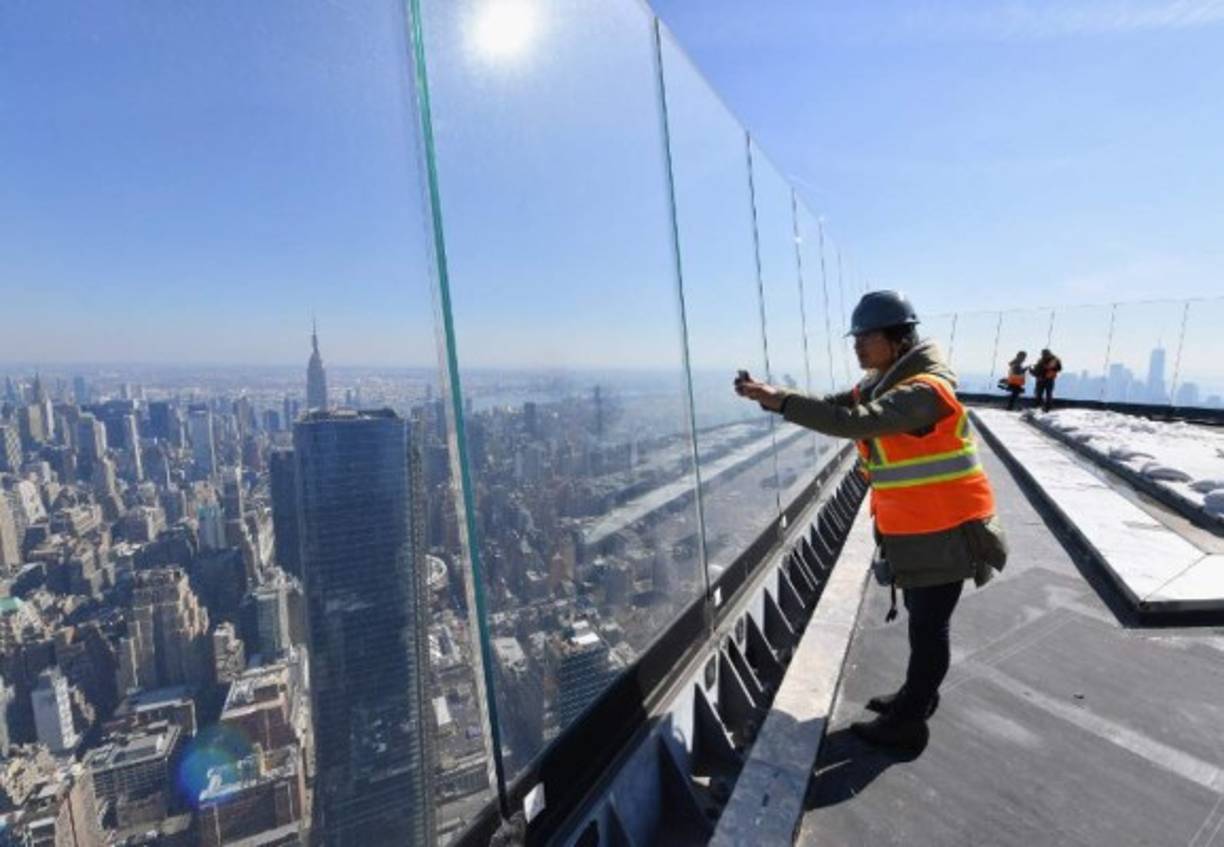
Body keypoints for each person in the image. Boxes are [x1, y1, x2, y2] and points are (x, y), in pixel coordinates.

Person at [734, 290, 1006, 751]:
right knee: (923, 624)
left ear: (898, 339)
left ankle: (909, 725)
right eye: (856, 338)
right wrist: (773, 397)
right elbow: (837, 406)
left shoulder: (923, 392)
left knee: (929, 629)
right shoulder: (886, 383)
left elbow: (852, 422)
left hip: (949, 531)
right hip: (923, 530)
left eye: (867, 337)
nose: (857, 346)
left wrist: (781, 402)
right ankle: (916, 696)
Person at [1030, 348, 1062, 412]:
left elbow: (1058, 368)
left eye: (1045, 354)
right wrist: (1032, 371)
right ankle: (1038, 407)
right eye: (1043, 354)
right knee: (1039, 394)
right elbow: (1036, 371)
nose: (1044, 355)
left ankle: (1047, 408)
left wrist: (1048, 367)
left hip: (1048, 379)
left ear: (1049, 353)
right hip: (1040, 380)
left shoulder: (1054, 360)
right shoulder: (1040, 361)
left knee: (1048, 394)